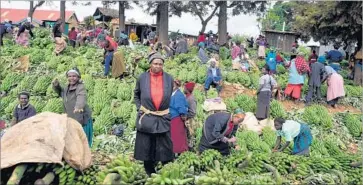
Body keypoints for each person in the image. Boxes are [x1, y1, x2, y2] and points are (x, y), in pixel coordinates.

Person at [134, 52, 174, 176]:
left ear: (163, 65)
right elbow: (136, 94)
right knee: (147, 142)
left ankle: (165, 164)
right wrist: (139, 107)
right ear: (150, 64)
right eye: (155, 63)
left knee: (164, 141)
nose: (157, 66)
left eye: (160, 64)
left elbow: (170, 92)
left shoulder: (169, 78)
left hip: (162, 115)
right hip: (147, 115)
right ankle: (149, 167)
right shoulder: (142, 78)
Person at [52, 68, 93, 147]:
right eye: (70, 76)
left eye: (74, 76)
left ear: (78, 77)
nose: (72, 78)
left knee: (83, 137)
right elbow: (61, 93)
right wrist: (56, 86)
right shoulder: (67, 86)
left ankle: (86, 152)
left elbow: (81, 96)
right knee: (74, 137)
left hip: (81, 116)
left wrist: (78, 106)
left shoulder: (80, 87)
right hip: (71, 115)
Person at [170, 80, 189, 155]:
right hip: (172, 118)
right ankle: (174, 152)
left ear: (177, 86)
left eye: (174, 85)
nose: (172, 86)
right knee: (174, 137)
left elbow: (181, 108)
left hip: (177, 119)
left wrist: (184, 118)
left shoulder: (178, 95)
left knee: (178, 137)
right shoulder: (172, 94)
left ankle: (180, 153)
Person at [183, 82, 197, 150]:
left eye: (184, 88)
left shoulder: (191, 99)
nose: (183, 89)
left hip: (190, 121)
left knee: (190, 136)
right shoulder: (187, 97)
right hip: (186, 120)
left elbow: (193, 112)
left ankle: (190, 150)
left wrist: (185, 116)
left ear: (187, 89)